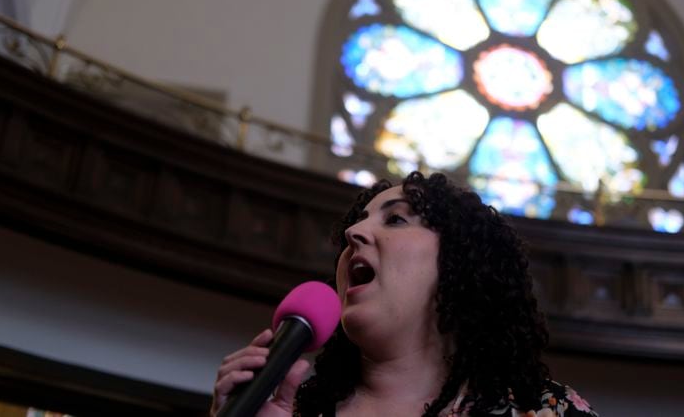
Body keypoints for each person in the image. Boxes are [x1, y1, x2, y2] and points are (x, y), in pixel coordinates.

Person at [211, 172, 597, 416]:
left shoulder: (543, 412)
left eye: (395, 219)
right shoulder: (294, 411)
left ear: (459, 261)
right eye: (356, 224)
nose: (353, 234)